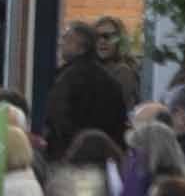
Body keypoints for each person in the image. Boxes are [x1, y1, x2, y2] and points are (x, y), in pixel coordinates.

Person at [42, 19, 129, 161]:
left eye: (67, 39)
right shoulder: (109, 79)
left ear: (81, 48)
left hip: (69, 157)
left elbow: (57, 119)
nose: (61, 42)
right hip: (105, 156)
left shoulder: (67, 79)